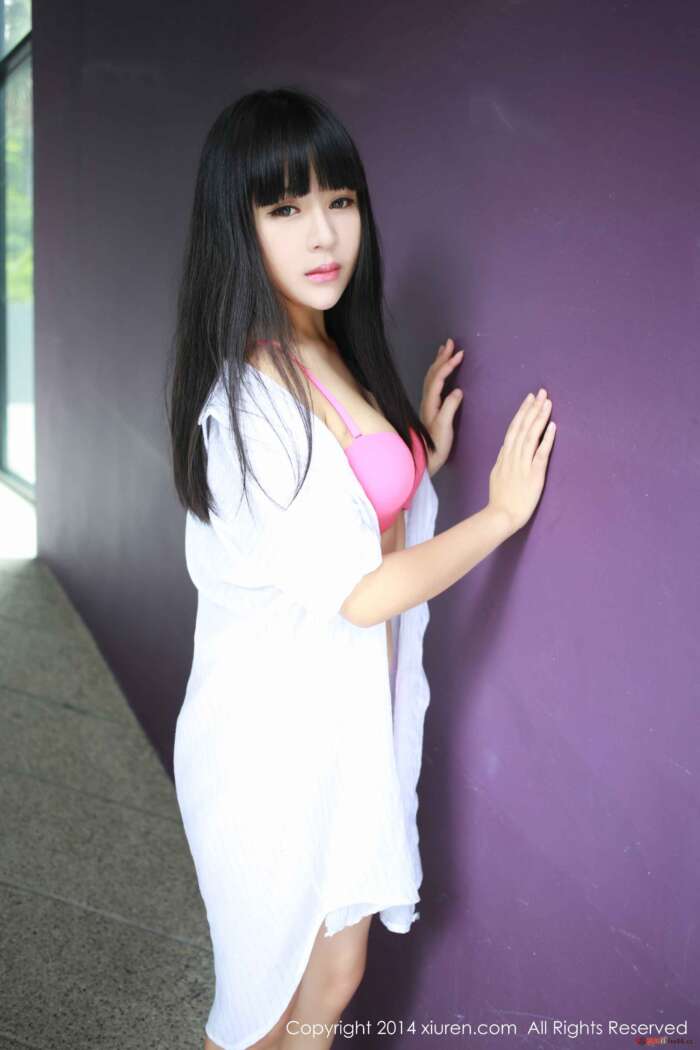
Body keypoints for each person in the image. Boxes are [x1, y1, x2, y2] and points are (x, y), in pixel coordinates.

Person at [166, 87, 556, 1050]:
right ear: (238, 227)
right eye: (285, 208)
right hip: (267, 744)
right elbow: (359, 589)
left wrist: (416, 451)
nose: (324, 232)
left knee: (335, 975)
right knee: (262, 1000)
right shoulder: (249, 403)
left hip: (343, 728)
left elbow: (350, 508)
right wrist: (501, 517)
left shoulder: (323, 343)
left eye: (338, 199)